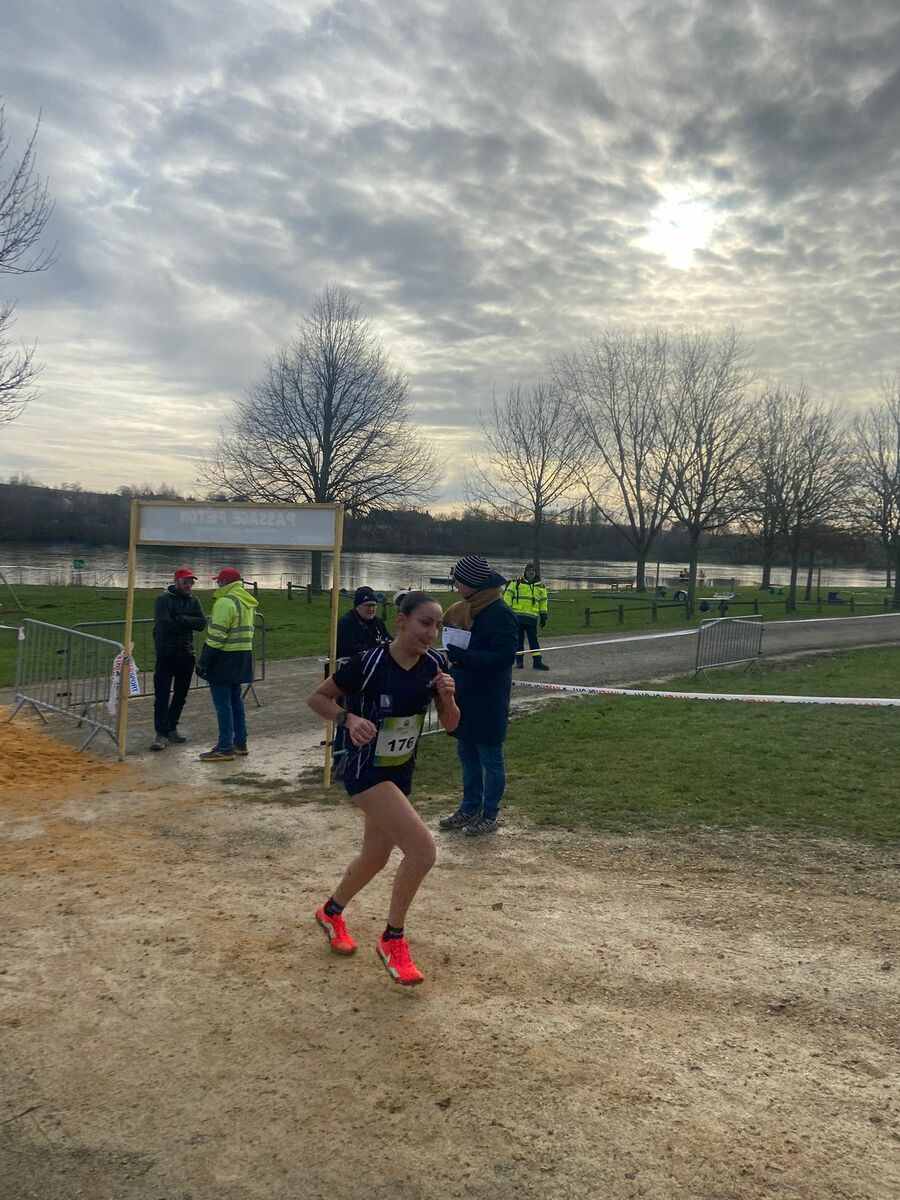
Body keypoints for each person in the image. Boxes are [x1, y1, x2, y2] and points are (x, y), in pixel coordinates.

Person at [308, 592, 458, 986]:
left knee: (375, 857)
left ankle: (330, 911)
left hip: (399, 771)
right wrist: (348, 719)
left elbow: (452, 724)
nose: (431, 633)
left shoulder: (436, 665)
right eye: (425, 623)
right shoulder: (368, 663)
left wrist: (447, 697)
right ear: (402, 621)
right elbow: (318, 698)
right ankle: (392, 939)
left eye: (437, 626)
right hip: (365, 770)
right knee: (422, 851)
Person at [438, 554, 518, 837]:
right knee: (466, 751)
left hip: (488, 697)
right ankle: (470, 806)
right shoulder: (467, 608)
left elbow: (505, 657)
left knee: (490, 757)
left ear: (472, 582)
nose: (455, 585)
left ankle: (490, 813)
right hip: (466, 692)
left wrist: (467, 657)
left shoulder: (500, 613)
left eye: (458, 580)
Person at [196, 568, 258, 762]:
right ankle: (240, 743)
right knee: (236, 701)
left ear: (224, 582)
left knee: (223, 704)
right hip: (242, 655)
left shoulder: (225, 602)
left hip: (224, 657)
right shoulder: (246, 601)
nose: (217, 584)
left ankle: (225, 747)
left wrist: (204, 661)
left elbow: (216, 636)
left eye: (218, 581)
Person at [150, 568, 207, 751]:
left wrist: (181, 618)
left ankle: (172, 726)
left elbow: (201, 623)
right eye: (185, 582)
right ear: (176, 581)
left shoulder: (194, 601)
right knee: (162, 695)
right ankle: (161, 732)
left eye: (191, 582)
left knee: (181, 695)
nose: (188, 585)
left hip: (186, 654)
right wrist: (187, 622)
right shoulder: (163, 600)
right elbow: (166, 624)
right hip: (166, 654)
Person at [504, 563, 550, 671]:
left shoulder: (541, 586)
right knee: (518, 640)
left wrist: (543, 614)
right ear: (525, 572)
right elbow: (508, 596)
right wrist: (508, 612)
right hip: (517, 617)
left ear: (535, 573)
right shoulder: (516, 582)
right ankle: (519, 661)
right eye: (529, 571)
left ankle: (537, 662)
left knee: (533, 640)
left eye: (533, 572)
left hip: (531, 618)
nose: (531, 573)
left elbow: (543, 601)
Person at [335, 586, 391, 659]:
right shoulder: (346, 623)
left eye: (373, 605)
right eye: (367, 605)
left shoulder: (378, 622)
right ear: (357, 606)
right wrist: (378, 646)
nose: (371, 609)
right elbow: (349, 648)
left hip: (374, 660)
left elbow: (388, 639)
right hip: (349, 662)